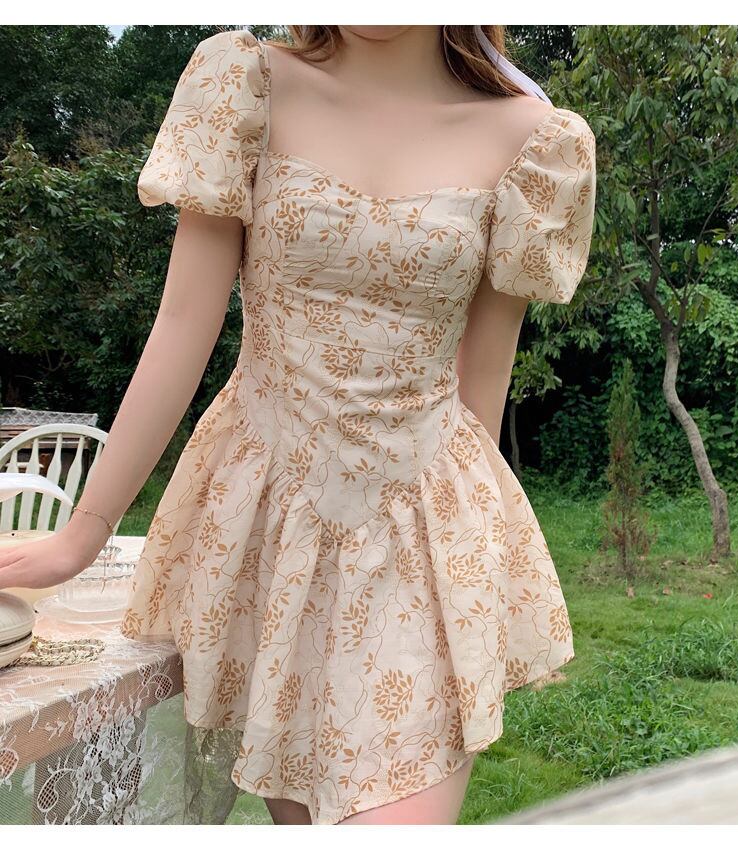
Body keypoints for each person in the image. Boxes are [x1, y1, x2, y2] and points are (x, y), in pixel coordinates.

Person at [0, 25, 596, 825]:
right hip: (273, 527)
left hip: (420, 538)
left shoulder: (535, 143)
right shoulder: (246, 83)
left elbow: (481, 385)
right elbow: (183, 323)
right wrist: (81, 534)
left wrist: (473, 581)